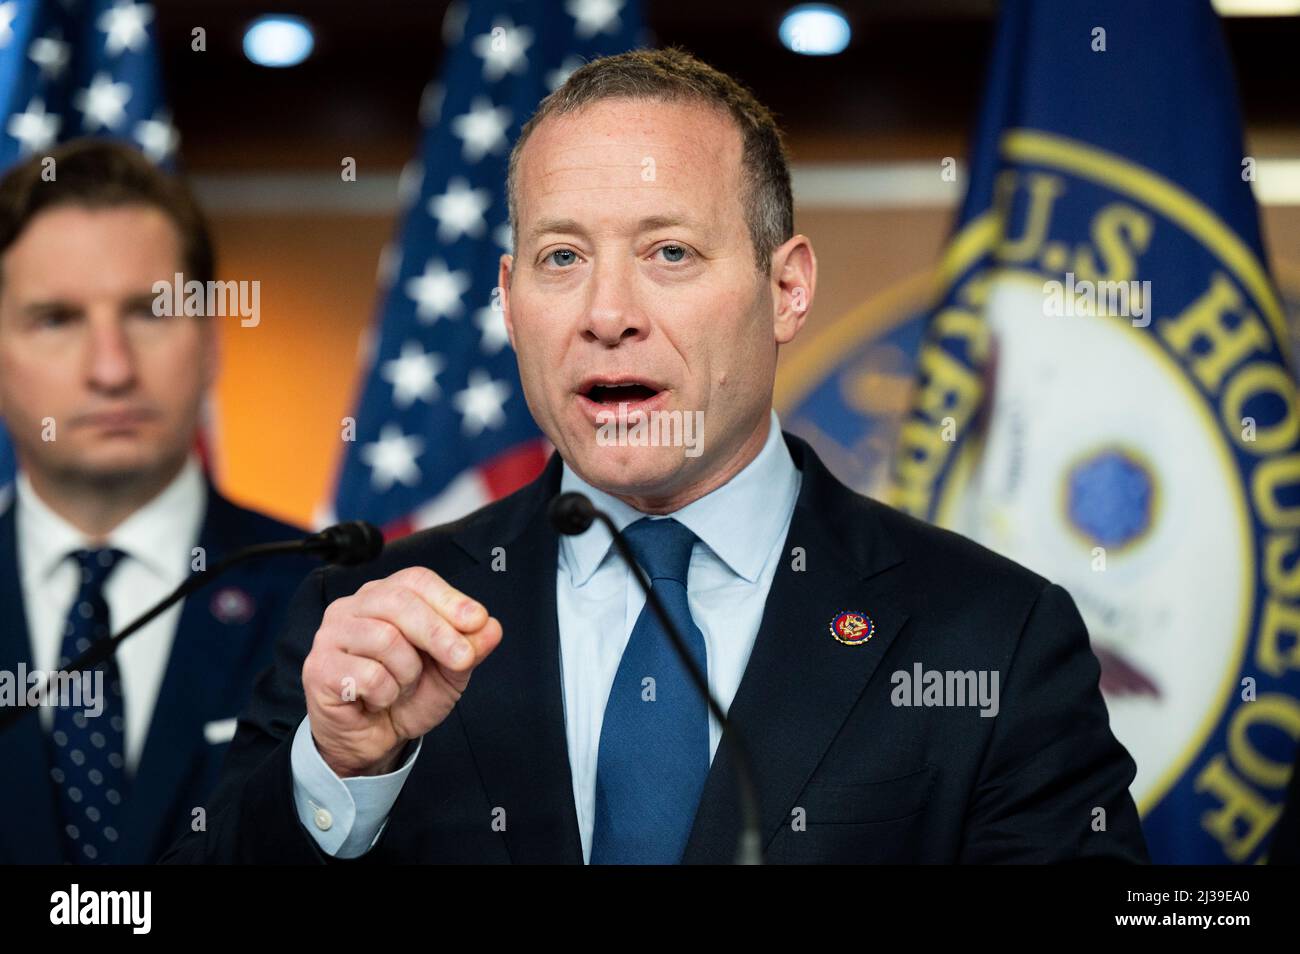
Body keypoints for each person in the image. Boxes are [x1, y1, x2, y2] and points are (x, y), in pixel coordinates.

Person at [163, 48, 1148, 864]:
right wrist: (343, 774)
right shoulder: (373, 618)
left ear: (786, 288)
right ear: (508, 301)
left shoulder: (991, 636)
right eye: (561, 259)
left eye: (669, 252)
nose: (606, 315)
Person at [0, 139, 311, 864]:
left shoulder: (331, 598)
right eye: (56, 319)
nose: (111, 369)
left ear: (210, 339)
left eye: (149, 312)